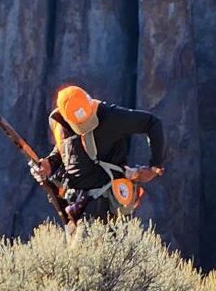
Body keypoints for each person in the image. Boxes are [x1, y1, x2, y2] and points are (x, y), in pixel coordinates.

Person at [42, 84, 164, 230]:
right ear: (66, 118)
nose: (87, 125)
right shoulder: (59, 123)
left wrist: (154, 167)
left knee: (108, 249)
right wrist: (50, 163)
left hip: (108, 205)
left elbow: (152, 123)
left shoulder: (110, 117)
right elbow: (64, 149)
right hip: (76, 206)